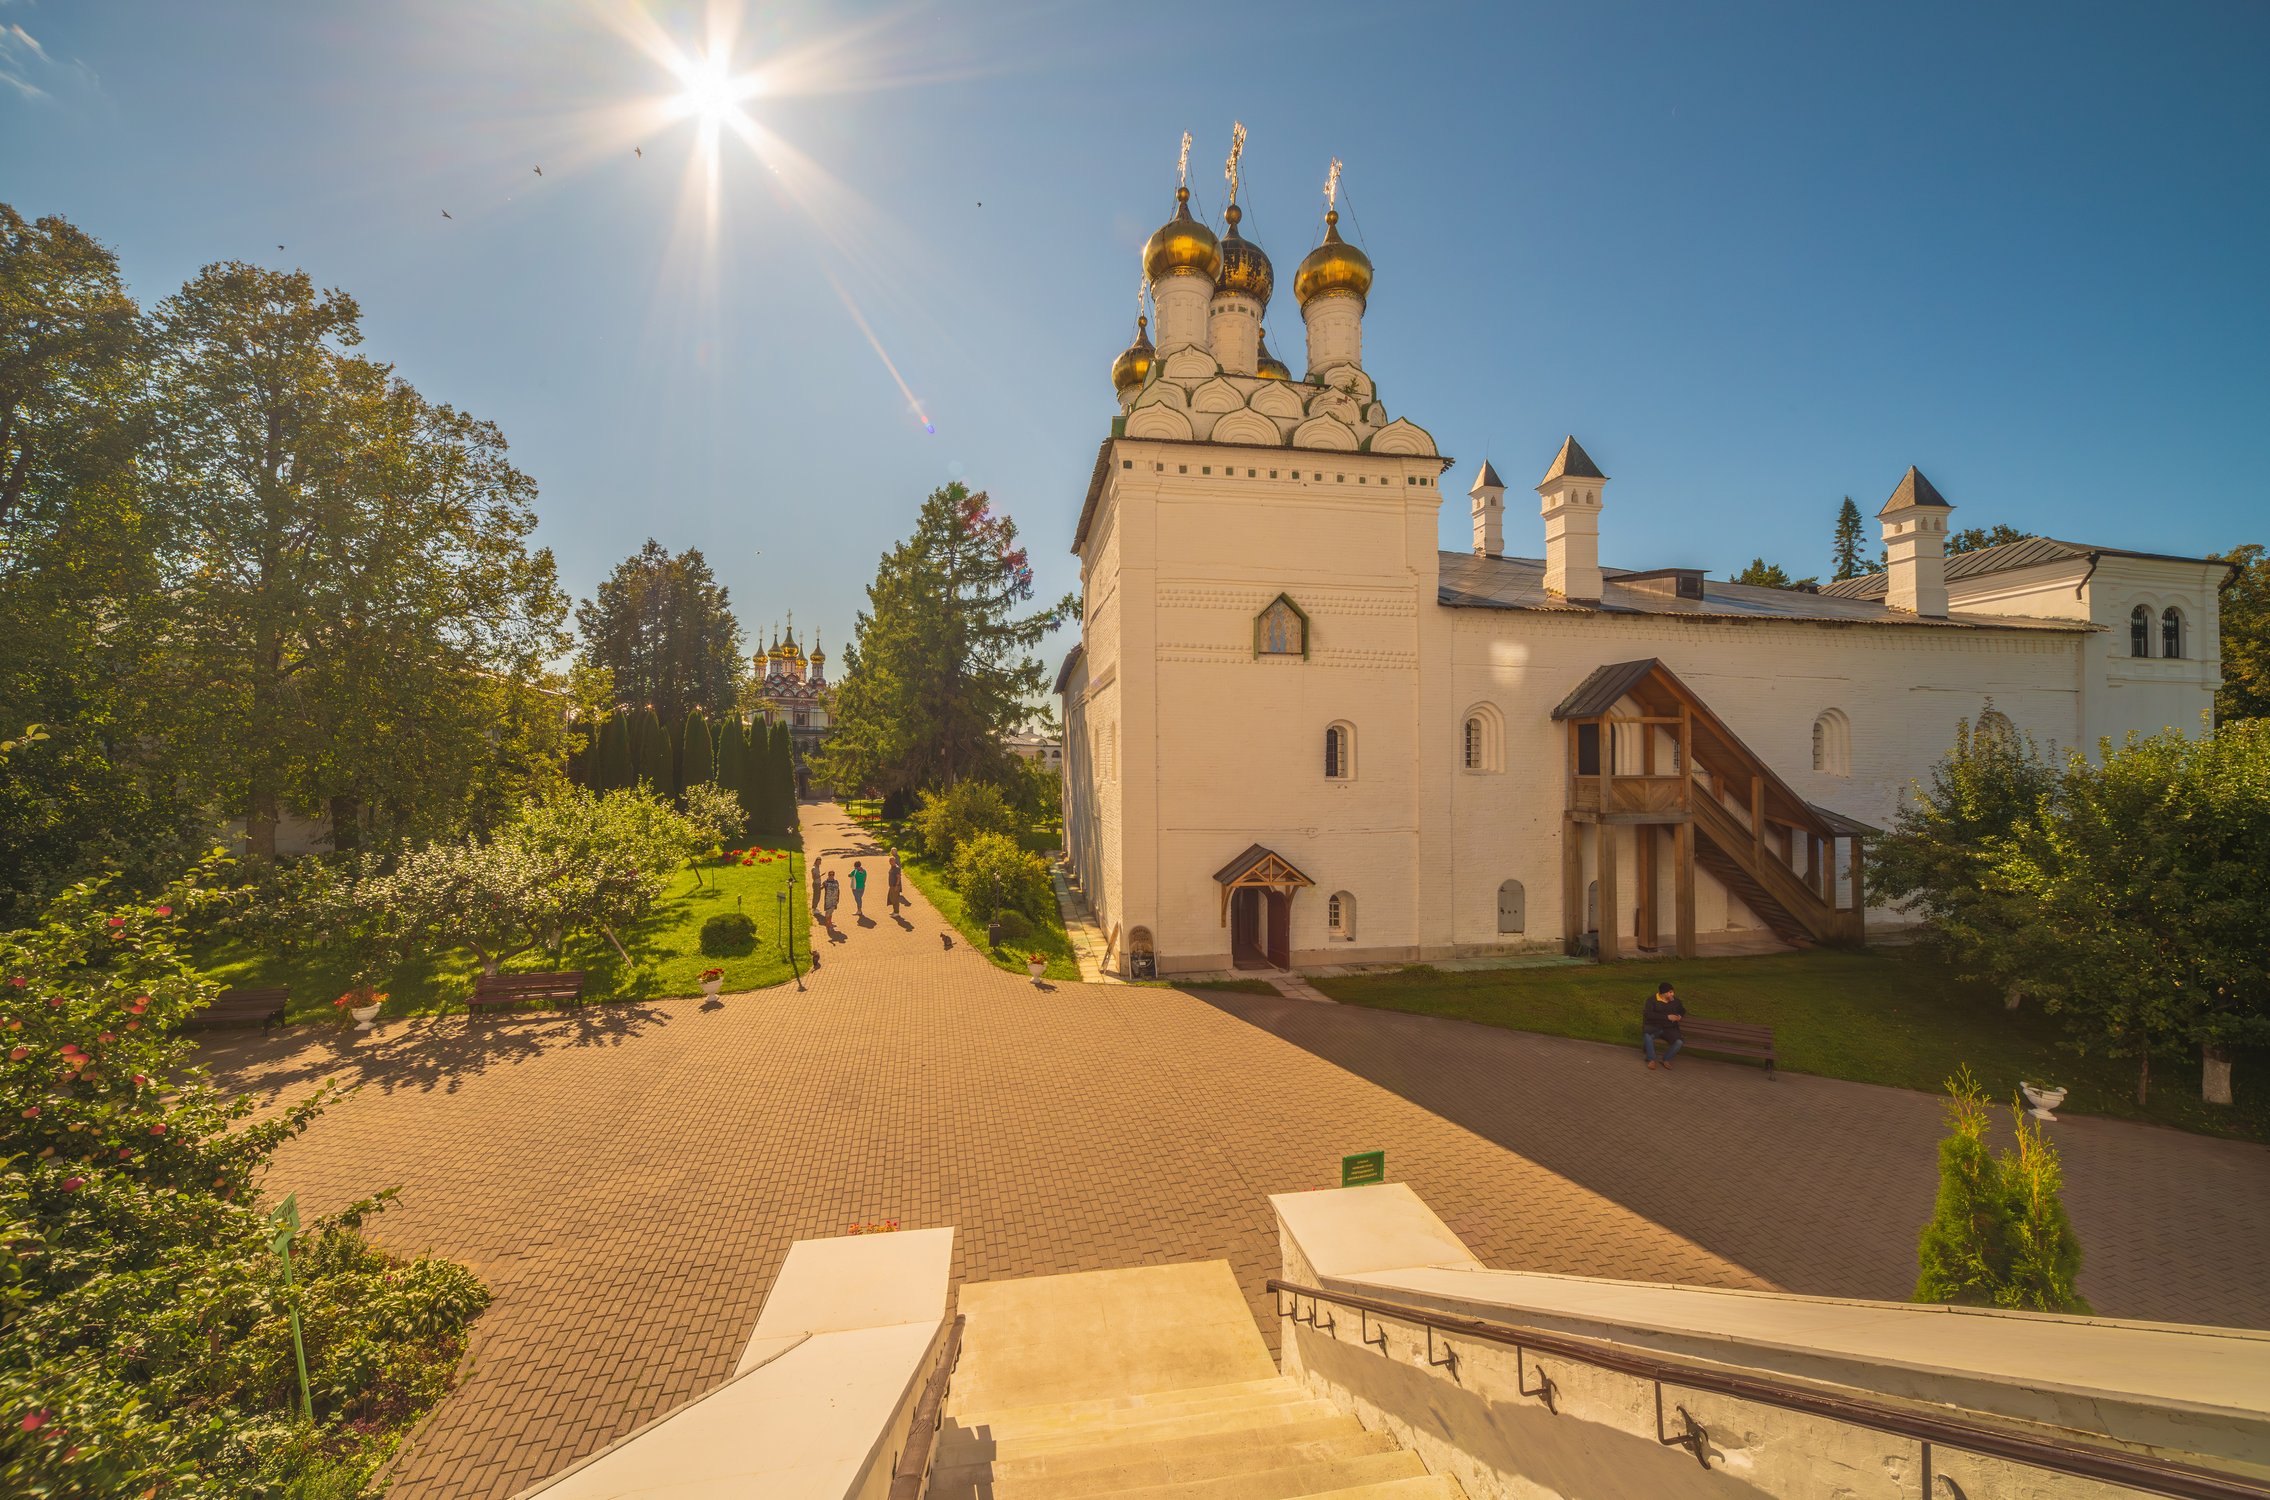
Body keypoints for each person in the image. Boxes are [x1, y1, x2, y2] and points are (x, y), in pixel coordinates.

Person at [1642, 981, 1686, 1070]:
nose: (1672, 994)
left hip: (1669, 1029)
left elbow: (1682, 1010)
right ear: (1664, 993)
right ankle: (1651, 1060)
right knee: (1647, 1035)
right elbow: (1649, 1015)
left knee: (1679, 1042)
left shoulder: (1675, 1001)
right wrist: (1667, 1017)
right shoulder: (1652, 1000)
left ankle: (1666, 1059)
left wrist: (1679, 1016)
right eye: (1670, 992)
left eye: (1672, 992)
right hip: (1655, 1027)